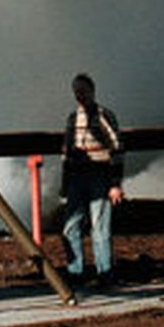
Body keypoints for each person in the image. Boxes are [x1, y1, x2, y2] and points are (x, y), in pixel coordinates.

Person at [61, 73, 124, 287]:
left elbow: (116, 148)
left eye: (83, 91)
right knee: (71, 226)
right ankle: (75, 273)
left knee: (100, 227)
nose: (79, 95)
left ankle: (105, 273)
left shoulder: (104, 115)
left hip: (99, 173)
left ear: (92, 91)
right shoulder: (72, 118)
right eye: (76, 91)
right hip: (77, 175)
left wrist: (115, 184)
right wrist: (64, 185)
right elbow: (66, 153)